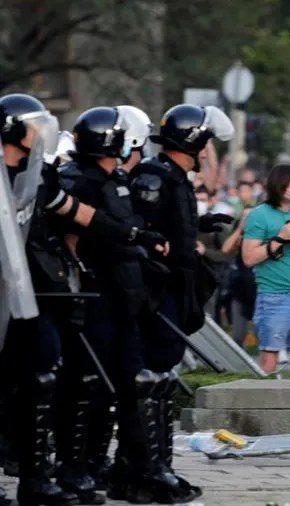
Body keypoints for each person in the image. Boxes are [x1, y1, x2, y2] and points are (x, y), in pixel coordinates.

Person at [0, 94, 166, 506]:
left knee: (40, 377)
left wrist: (133, 234)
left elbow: (78, 212)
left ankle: (36, 479)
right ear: (13, 128)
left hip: (33, 295)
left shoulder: (40, 175)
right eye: (34, 123)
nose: (41, 130)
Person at [129, 104, 237, 500]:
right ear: (192, 142)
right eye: (204, 142)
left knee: (161, 379)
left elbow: (167, 227)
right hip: (156, 295)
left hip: (175, 289)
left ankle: (158, 466)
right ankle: (143, 470)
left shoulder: (173, 177)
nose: (207, 150)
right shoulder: (154, 177)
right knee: (150, 380)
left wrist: (198, 225)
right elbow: (139, 233)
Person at [241, 165, 290, 376]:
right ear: (282, 185)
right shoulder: (260, 214)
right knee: (269, 360)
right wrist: (280, 238)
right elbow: (248, 258)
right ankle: (264, 408)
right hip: (274, 296)